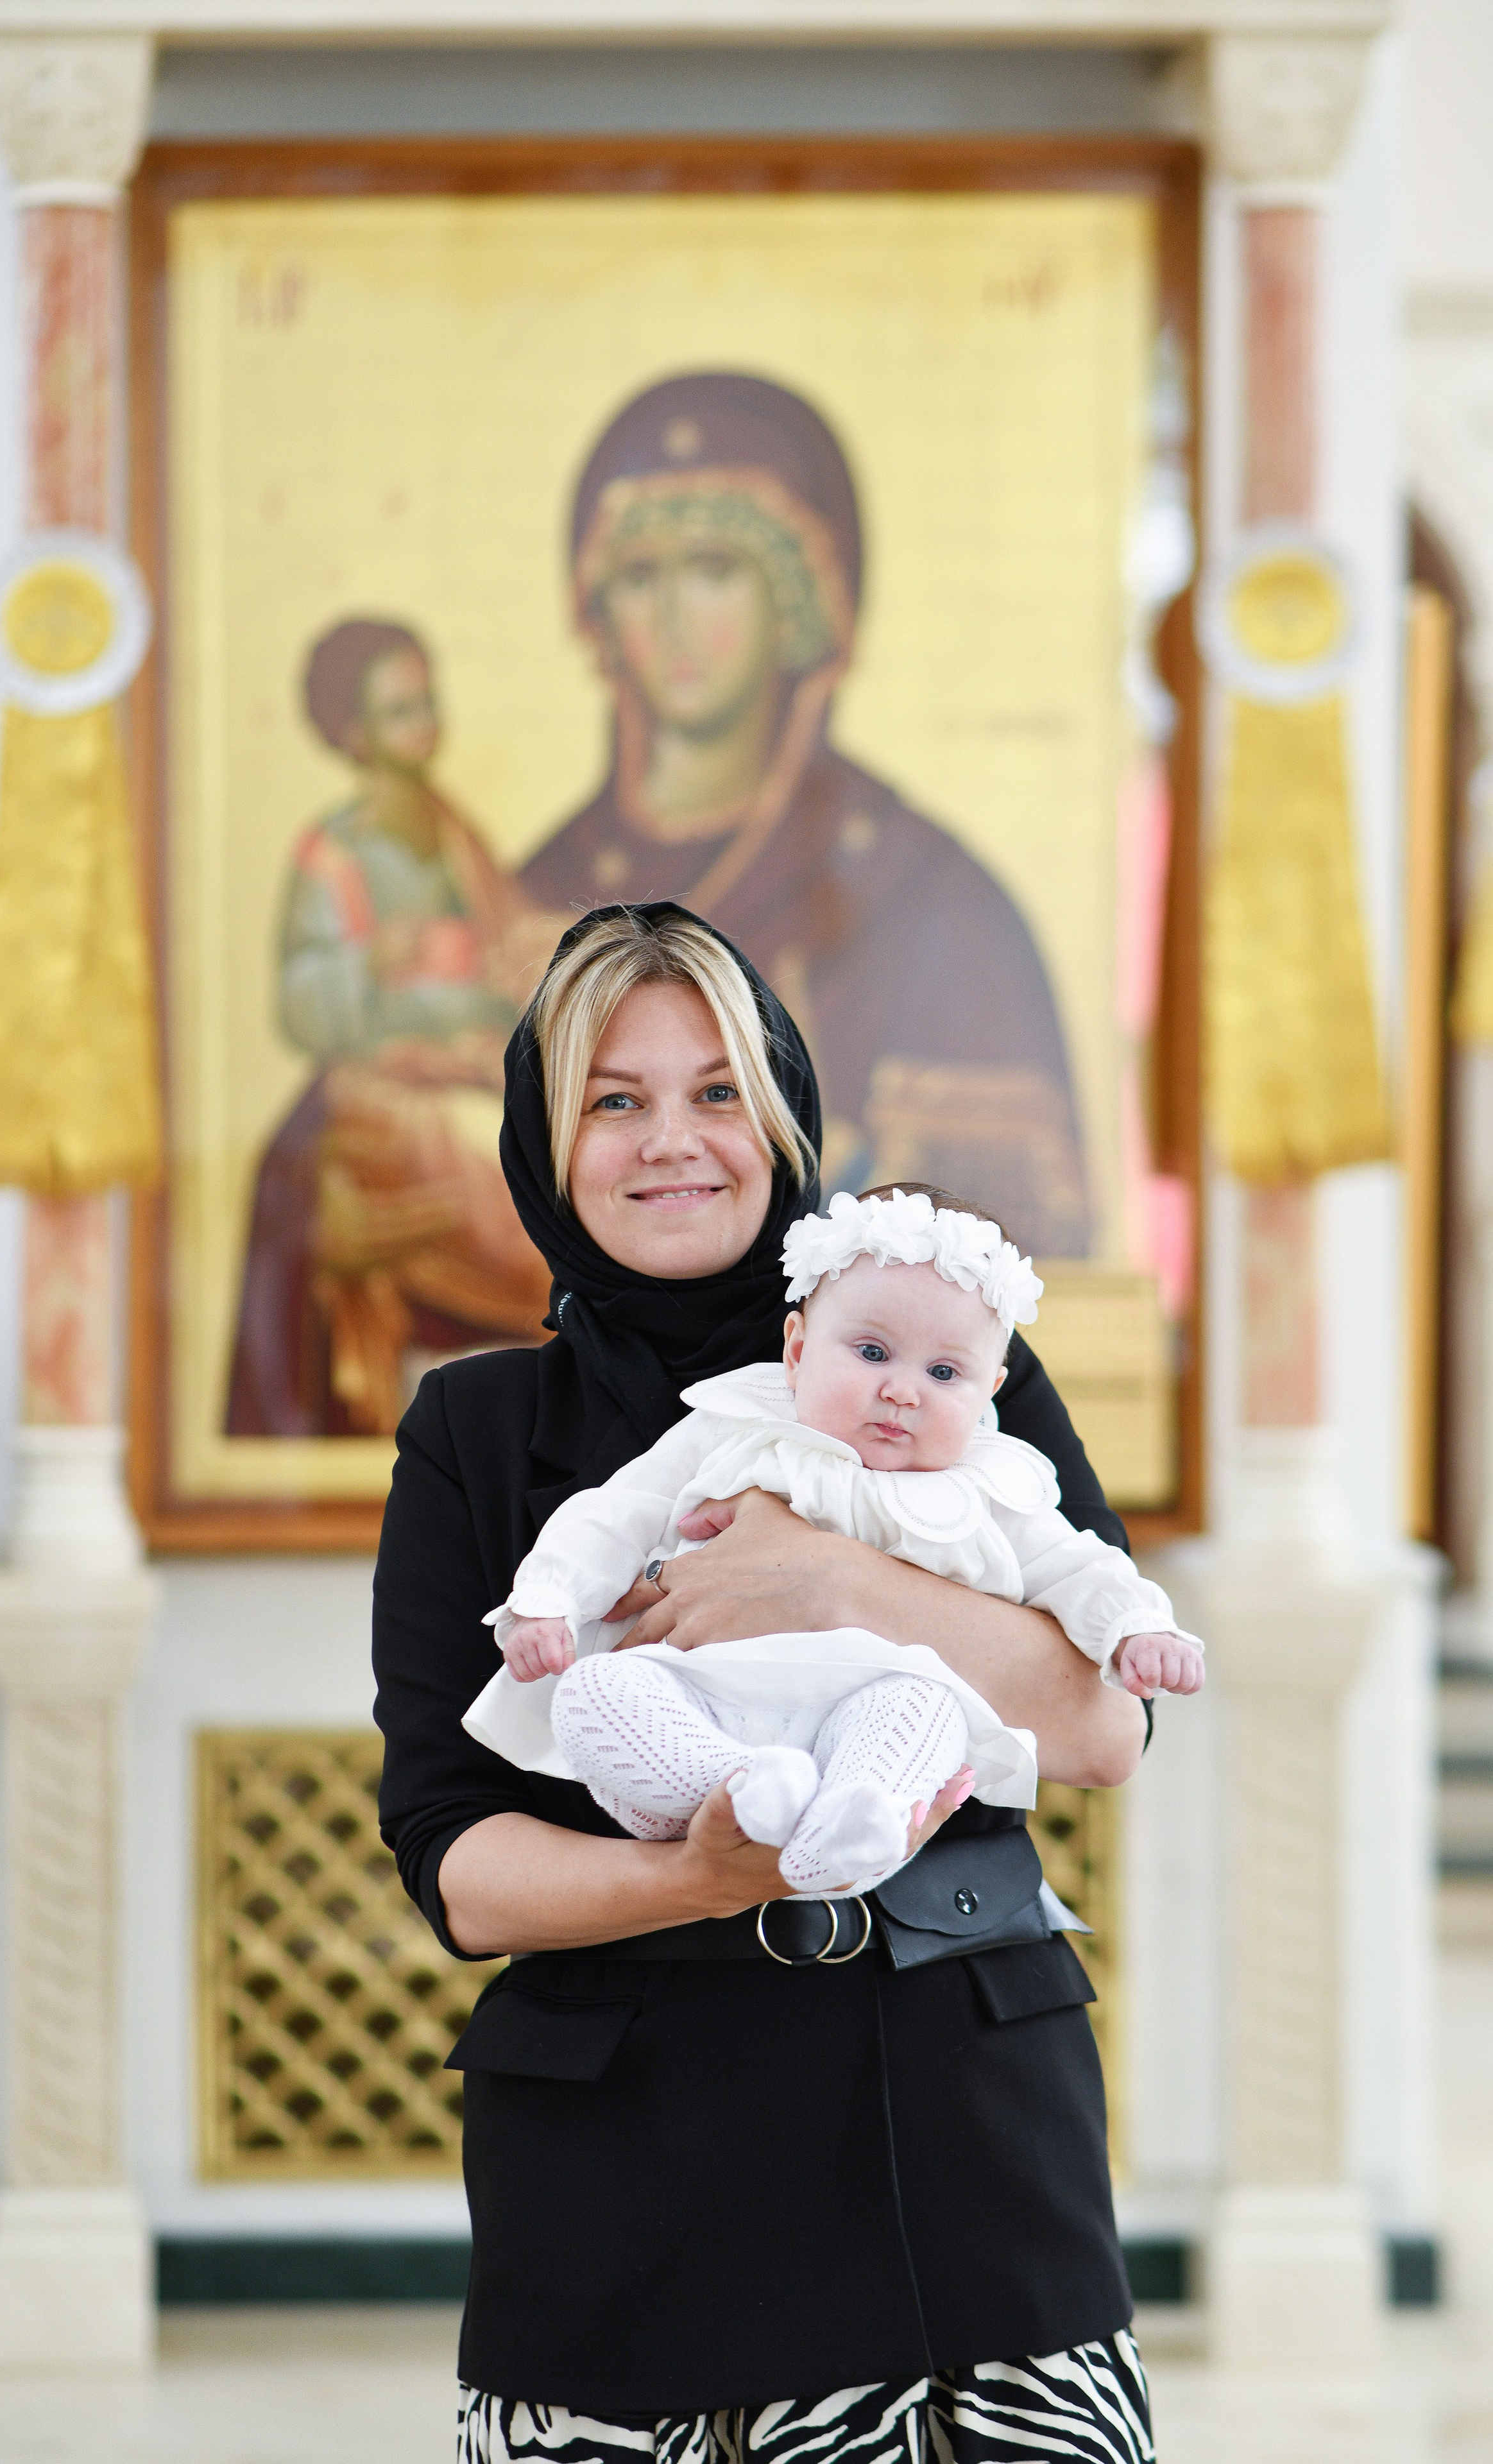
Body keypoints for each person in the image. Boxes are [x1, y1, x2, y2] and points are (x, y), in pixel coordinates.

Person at [373, 902, 1155, 2461]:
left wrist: (831, 1580)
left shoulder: (940, 1352)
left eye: (716, 1090)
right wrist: (701, 1870)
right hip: (619, 2167)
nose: (673, 1140)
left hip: (957, 2131)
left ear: (783, 1114)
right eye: (615, 1097)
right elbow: (457, 1864)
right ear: (546, 1138)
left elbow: (1097, 1720)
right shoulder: (472, 1432)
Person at [469, 1184, 1204, 1897]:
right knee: (596, 1690)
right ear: (796, 1348)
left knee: (926, 1711)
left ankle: (852, 1825)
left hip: (874, 1705)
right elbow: (616, 1511)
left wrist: (1137, 1628)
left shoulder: (990, 1487)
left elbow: (1079, 1568)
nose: (902, 1391)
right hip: (707, 1695)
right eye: (872, 1353)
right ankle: (742, 1789)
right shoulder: (734, 1425)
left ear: (990, 1392)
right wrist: (547, 1600)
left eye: (945, 1372)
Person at [520, 371, 1090, 1251]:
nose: (671, 618)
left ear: (797, 601)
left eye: (715, 570)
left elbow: (1005, 1271)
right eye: (639, 576)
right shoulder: (535, 895)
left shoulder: (933, 906)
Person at [225, 617, 556, 1439]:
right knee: (515, 1196)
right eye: (400, 710)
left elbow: (503, 942)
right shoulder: (336, 855)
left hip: (470, 1065)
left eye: (427, 703)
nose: (424, 724)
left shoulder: (452, 833)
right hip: (385, 1086)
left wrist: (513, 960)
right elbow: (302, 993)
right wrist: (374, 961)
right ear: (353, 733)